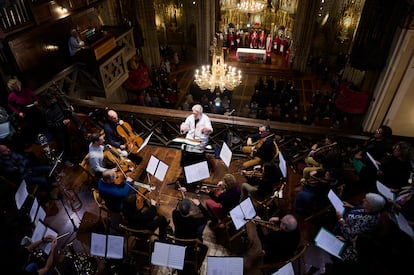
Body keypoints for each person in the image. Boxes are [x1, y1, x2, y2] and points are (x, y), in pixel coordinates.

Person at [352, 125, 393, 192]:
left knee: (362, 186)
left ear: (383, 135)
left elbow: (373, 158)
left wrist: (360, 157)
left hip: (370, 169)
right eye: (377, 129)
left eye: (379, 131)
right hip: (364, 165)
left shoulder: (382, 146)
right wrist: (359, 153)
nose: (376, 131)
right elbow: (365, 148)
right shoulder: (373, 139)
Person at [7, 77, 44, 144]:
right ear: (12, 88)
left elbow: (34, 96)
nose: (18, 87)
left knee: (40, 121)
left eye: (18, 85)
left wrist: (36, 101)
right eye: (15, 87)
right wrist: (19, 112)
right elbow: (10, 106)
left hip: (33, 109)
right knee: (33, 126)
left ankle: (43, 135)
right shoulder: (11, 96)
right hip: (25, 113)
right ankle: (37, 139)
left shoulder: (26, 90)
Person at [42, 93, 74, 167]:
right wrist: (62, 123)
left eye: (54, 98)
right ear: (48, 101)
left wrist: (69, 110)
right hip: (57, 131)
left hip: (64, 126)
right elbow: (50, 126)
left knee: (67, 142)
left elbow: (63, 111)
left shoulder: (57, 104)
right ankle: (65, 160)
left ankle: (70, 157)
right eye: (52, 99)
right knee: (62, 146)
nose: (54, 100)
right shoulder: (46, 112)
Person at [179, 104, 213, 169]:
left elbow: (210, 130)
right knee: (184, 148)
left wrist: (206, 130)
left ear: (200, 113)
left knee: (197, 152)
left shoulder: (206, 119)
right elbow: (185, 127)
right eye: (193, 113)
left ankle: (197, 168)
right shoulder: (190, 117)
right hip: (190, 139)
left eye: (196, 114)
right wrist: (183, 128)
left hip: (200, 140)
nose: (194, 115)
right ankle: (185, 166)